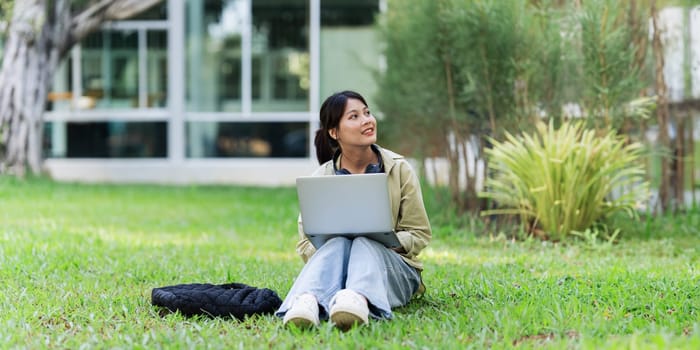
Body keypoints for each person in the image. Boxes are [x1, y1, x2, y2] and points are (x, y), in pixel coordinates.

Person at [275, 90, 432, 330]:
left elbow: (420, 233)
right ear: (334, 132)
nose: (367, 120)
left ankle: (356, 299)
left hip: (394, 270)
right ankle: (308, 302)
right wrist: (340, 250)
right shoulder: (321, 179)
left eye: (367, 113)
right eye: (355, 116)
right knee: (339, 244)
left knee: (364, 243)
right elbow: (305, 243)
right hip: (336, 269)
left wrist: (385, 242)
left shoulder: (399, 170)